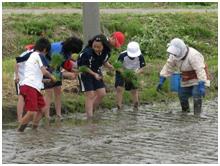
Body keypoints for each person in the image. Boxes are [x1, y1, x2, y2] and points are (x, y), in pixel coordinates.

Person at [156, 38, 210, 117]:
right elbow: (168, 66)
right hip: (186, 77)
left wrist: (202, 85)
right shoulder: (173, 55)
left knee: (196, 94)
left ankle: (197, 115)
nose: (174, 55)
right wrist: (162, 79)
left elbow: (200, 70)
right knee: (182, 95)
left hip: (198, 78)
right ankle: (185, 114)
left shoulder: (193, 55)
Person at [17, 38, 56, 132]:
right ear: (45, 50)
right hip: (30, 86)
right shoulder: (39, 55)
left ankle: (34, 129)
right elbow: (44, 71)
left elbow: (36, 74)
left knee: (42, 109)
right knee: (31, 112)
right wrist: (52, 77)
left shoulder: (32, 55)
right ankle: (19, 132)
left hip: (32, 86)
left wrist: (45, 80)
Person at [42, 36, 83, 121]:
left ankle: (58, 114)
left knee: (58, 91)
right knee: (48, 92)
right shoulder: (57, 49)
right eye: (72, 51)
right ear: (70, 48)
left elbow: (64, 63)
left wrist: (73, 70)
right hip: (47, 68)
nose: (72, 53)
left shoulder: (67, 51)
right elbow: (52, 66)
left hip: (55, 69)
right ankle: (47, 116)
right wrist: (66, 74)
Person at [78, 34, 117, 119]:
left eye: (98, 47)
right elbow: (83, 67)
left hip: (96, 71)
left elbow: (103, 61)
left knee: (102, 93)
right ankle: (89, 118)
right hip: (85, 72)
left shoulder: (106, 52)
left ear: (103, 46)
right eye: (94, 46)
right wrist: (94, 74)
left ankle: (91, 112)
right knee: (90, 95)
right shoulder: (87, 53)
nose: (96, 48)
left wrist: (109, 66)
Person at [115, 41, 146, 110]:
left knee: (134, 89)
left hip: (133, 73)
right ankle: (119, 106)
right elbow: (118, 67)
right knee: (119, 88)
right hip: (122, 72)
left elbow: (142, 68)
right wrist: (124, 74)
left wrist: (135, 73)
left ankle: (136, 105)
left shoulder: (140, 56)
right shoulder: (122, 55)